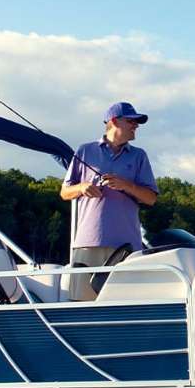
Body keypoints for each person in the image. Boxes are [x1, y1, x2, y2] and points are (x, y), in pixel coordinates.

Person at [60, 102, 158, 300]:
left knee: (125, 303)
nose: (136, 125)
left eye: (137, 122)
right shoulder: (85, 151)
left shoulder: (139, 156)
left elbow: (151, 199)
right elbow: (64, 192)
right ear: (114, 121)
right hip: (88, 242)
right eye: (131, 121)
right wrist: (82, 187)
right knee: (82, 303)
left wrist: (126, 185)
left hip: (127, 245)